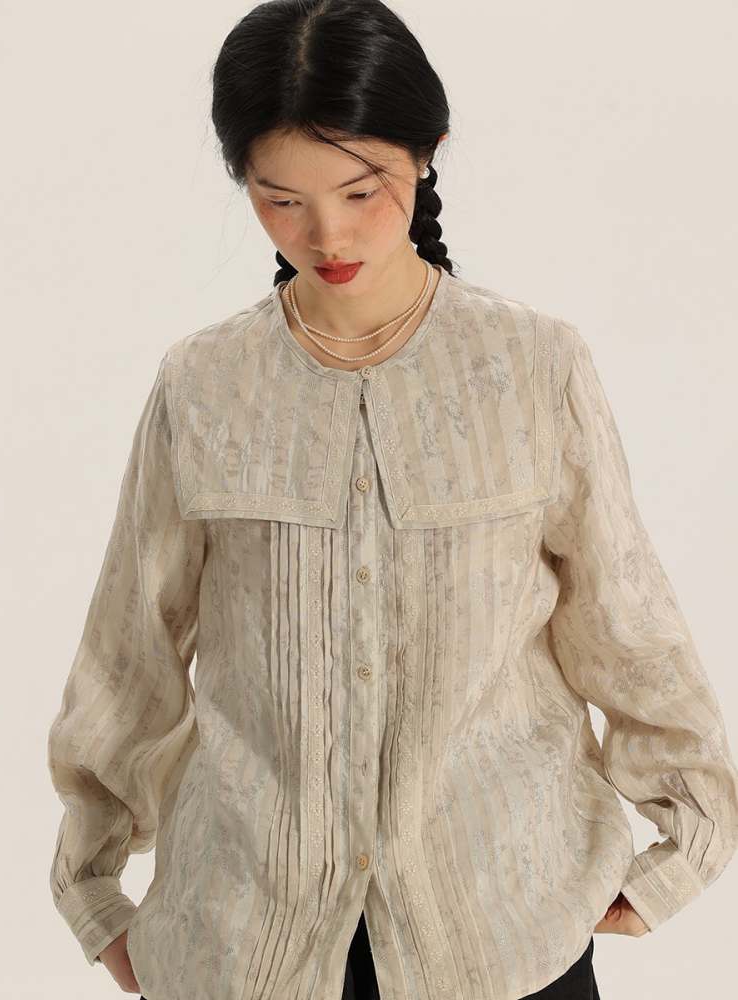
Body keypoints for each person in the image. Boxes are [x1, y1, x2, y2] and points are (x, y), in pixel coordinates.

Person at [46, 2, 738, 999]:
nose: (326, 233)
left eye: (361, 190)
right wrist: (94, 890)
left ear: (428, 151)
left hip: (504, 941)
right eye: (281, 199)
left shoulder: (533, 366)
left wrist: (687, 840)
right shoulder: (202, 384)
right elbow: (131, 648)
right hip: (245, 947)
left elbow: (623, 620)